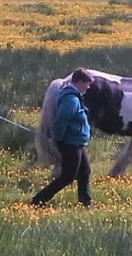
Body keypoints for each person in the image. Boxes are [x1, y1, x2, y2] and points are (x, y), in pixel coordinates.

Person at [31, 67, 94, 208]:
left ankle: (86, 202)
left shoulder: (74, 97)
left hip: (77, 142)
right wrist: (57, 138)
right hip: (70, 144)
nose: (88, 87)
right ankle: (39, 200)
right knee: (67, 177)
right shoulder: (71, 100)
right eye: (87, 84)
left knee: (85, 171)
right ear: (79, 82)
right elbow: (60, 120)